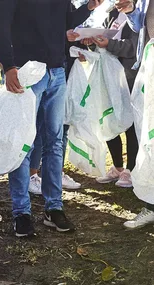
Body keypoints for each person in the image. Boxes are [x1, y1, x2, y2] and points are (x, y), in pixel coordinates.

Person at [0, 0, 105, 237]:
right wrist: (8, 66)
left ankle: (53, 208)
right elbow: (0, 26)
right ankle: (21, 213)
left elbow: (65, 22)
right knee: (24, 143)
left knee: (54, 143)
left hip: (57, 72)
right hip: (26, 71)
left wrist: (90, 7)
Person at [28, 2, 95, 196]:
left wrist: (79, 45)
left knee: (59, 130)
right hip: (39, 69)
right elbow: (45, 33)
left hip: (62, 69)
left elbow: (67, 26)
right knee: (38, 128)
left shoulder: (69, 4)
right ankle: (32, 175)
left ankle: (55, 175)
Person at [87, 8, 139, 188]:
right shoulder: (112, 13)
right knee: (109, 119)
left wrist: (108, 44)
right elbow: (102, 36)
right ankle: (117, 167)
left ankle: (131, 170)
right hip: (109, 76)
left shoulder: (140, 13)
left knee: (131, 123)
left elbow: (134, 47)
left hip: (130, 76)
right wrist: (92, 42)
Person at [115, 0, 154, 228]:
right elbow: (139, 26)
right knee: (149, 137)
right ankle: (151, 205)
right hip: (149, 68)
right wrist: (130, 11)